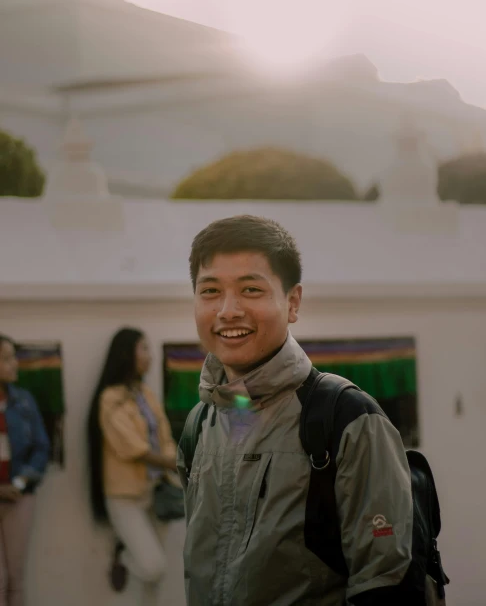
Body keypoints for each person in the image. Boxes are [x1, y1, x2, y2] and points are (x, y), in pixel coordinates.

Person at [177, 215, 417, 606]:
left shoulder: (346, 418)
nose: (227, 310)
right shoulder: (199, 425)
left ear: (292, 302)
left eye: (251, 289)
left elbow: (385, 583)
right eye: (210, 291)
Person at [87, 327, 180, 606]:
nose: (149, 355)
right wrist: (174, 463)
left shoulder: (146, 394)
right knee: (152, 566)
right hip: (125, 496)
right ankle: (123, 556)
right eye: (143, 348)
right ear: (126, 354)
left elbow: (163, 436)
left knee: (157, 578)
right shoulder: (110, 398)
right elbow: (130, 447)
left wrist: (172, 460)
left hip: (156, 491)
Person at [0, 333, 50, 606]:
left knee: (16, 581)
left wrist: (18, 484)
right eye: (6, 358)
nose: (14, 364)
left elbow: (41, 448)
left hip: (19, 498)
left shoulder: (24, 401)